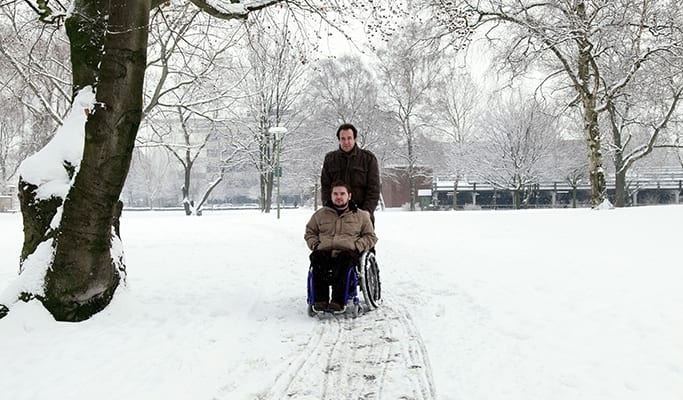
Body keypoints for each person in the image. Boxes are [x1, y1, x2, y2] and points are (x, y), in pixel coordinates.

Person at [304, 181, 378, 312]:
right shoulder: (320, 215)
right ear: (331, 196)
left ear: (349, 196)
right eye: (335, 194)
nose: (339, 197)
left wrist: (357, 246)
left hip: (348, 252)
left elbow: (370, 237)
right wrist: (315, 245)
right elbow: (310, 232)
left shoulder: (360, 216)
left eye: (342, 194)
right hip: (325, 251)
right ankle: (320, 301)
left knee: (345, 259)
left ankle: (338, 302)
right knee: (317, 257)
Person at [321, 123, 380, 225]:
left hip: (362, 215)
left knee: (363, 241)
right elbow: (326, 187)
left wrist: (367, 211)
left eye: (349, 138)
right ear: (339, 140)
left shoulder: (368, 159)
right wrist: (329, 209)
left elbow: (374, 189)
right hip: (337, 217)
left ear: (355, 138)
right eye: (343, 139)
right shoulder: (330, 159)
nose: (346, 142)